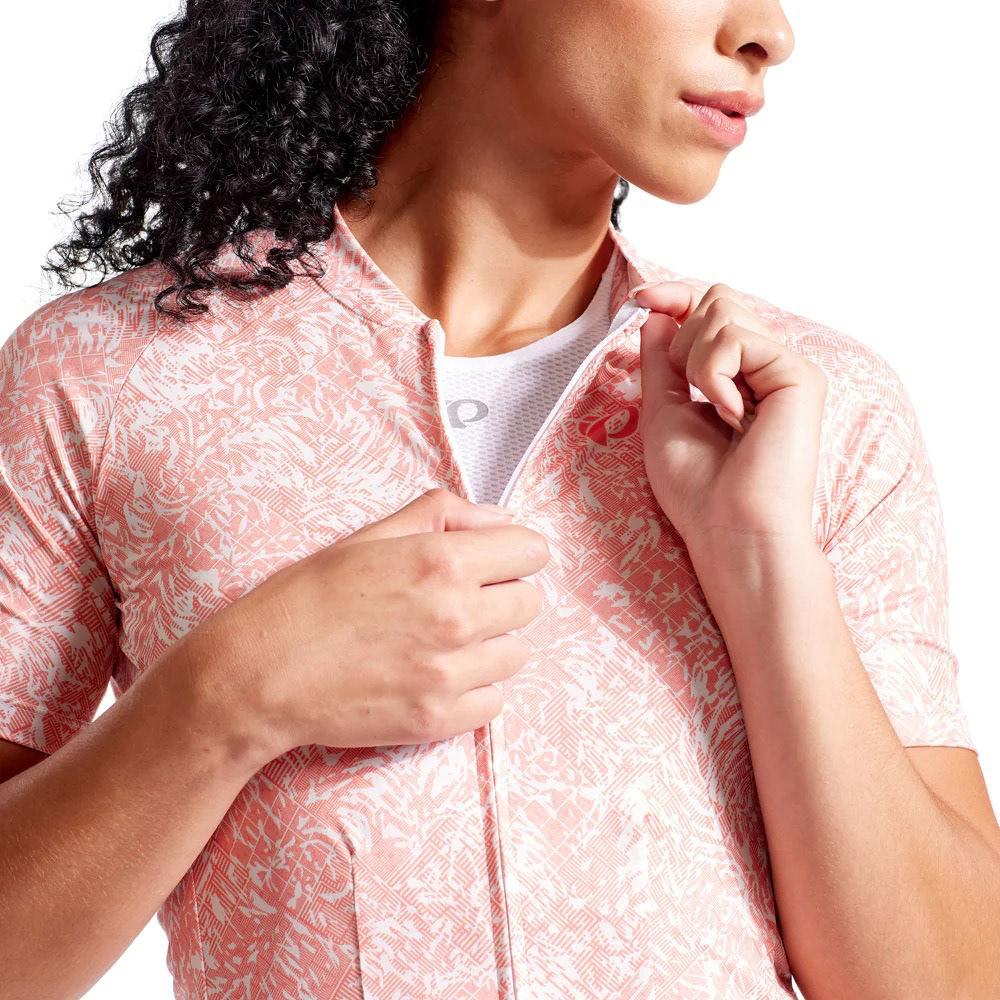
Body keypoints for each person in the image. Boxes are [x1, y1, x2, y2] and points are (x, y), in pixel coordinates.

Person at [2, 0, 998, 997]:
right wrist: (224, 697)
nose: (769, 32)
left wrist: (769, 564)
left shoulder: (803, 411)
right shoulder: (105, 380)